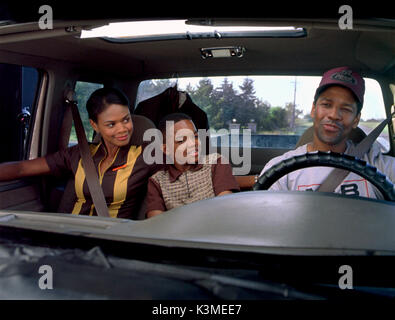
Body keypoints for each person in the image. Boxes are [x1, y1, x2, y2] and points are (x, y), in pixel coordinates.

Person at [0, 87, 162, 219]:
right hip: (68, 235)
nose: (122, 129)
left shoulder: (146, 155)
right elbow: (22, 168)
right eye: (111, 124)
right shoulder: (79, 154)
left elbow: (181, 155)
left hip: (111, 241)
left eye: (126, 120)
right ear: (95, 125)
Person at [259, 66, 395, 198]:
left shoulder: (378, 166)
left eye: (346, 109)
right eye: (326, 105)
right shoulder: (280, 170)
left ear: (356, 120)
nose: (334, 115)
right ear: (313, 109)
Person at [146, 113, 240, 218]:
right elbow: (156, 223)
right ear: (166, 149)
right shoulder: (157, 181)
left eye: (195, 136)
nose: (193, 143)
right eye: (181, 140)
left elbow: (225, 209)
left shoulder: (216, 163)